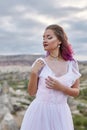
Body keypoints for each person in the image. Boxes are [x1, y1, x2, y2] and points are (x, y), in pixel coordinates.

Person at [20, 24, 81, 130]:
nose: (44, 40)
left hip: (61, 114)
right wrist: (34, 73)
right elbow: (31, 92)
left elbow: (76, 91)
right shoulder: (40, 63)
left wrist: (62, 88)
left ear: (60, 41)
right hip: (40, 113)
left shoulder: (72, 64)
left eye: (49, 37)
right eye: (43, 38)